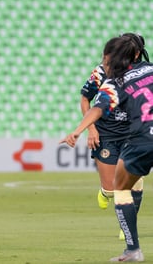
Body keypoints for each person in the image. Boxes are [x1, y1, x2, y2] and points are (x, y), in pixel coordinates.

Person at [61, 35, 153, 262]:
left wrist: (77, 130)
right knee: (115, 186)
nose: (104, 62)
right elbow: (87, 100)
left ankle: (133, 249)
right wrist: (90, 130)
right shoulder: (150, 69)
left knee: (122, 187)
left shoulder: (115, 82)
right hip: (117, 135)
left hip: (140, 139)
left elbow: (98, 108)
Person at [80, 33, 149, 240]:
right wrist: (91, 128)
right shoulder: (100, 73)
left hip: (133, 134)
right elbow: (85, 98)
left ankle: (127, 227)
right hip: (107, 134)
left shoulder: (143, 73)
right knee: (111, 189)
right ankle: (104, 192)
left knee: (132, 182)